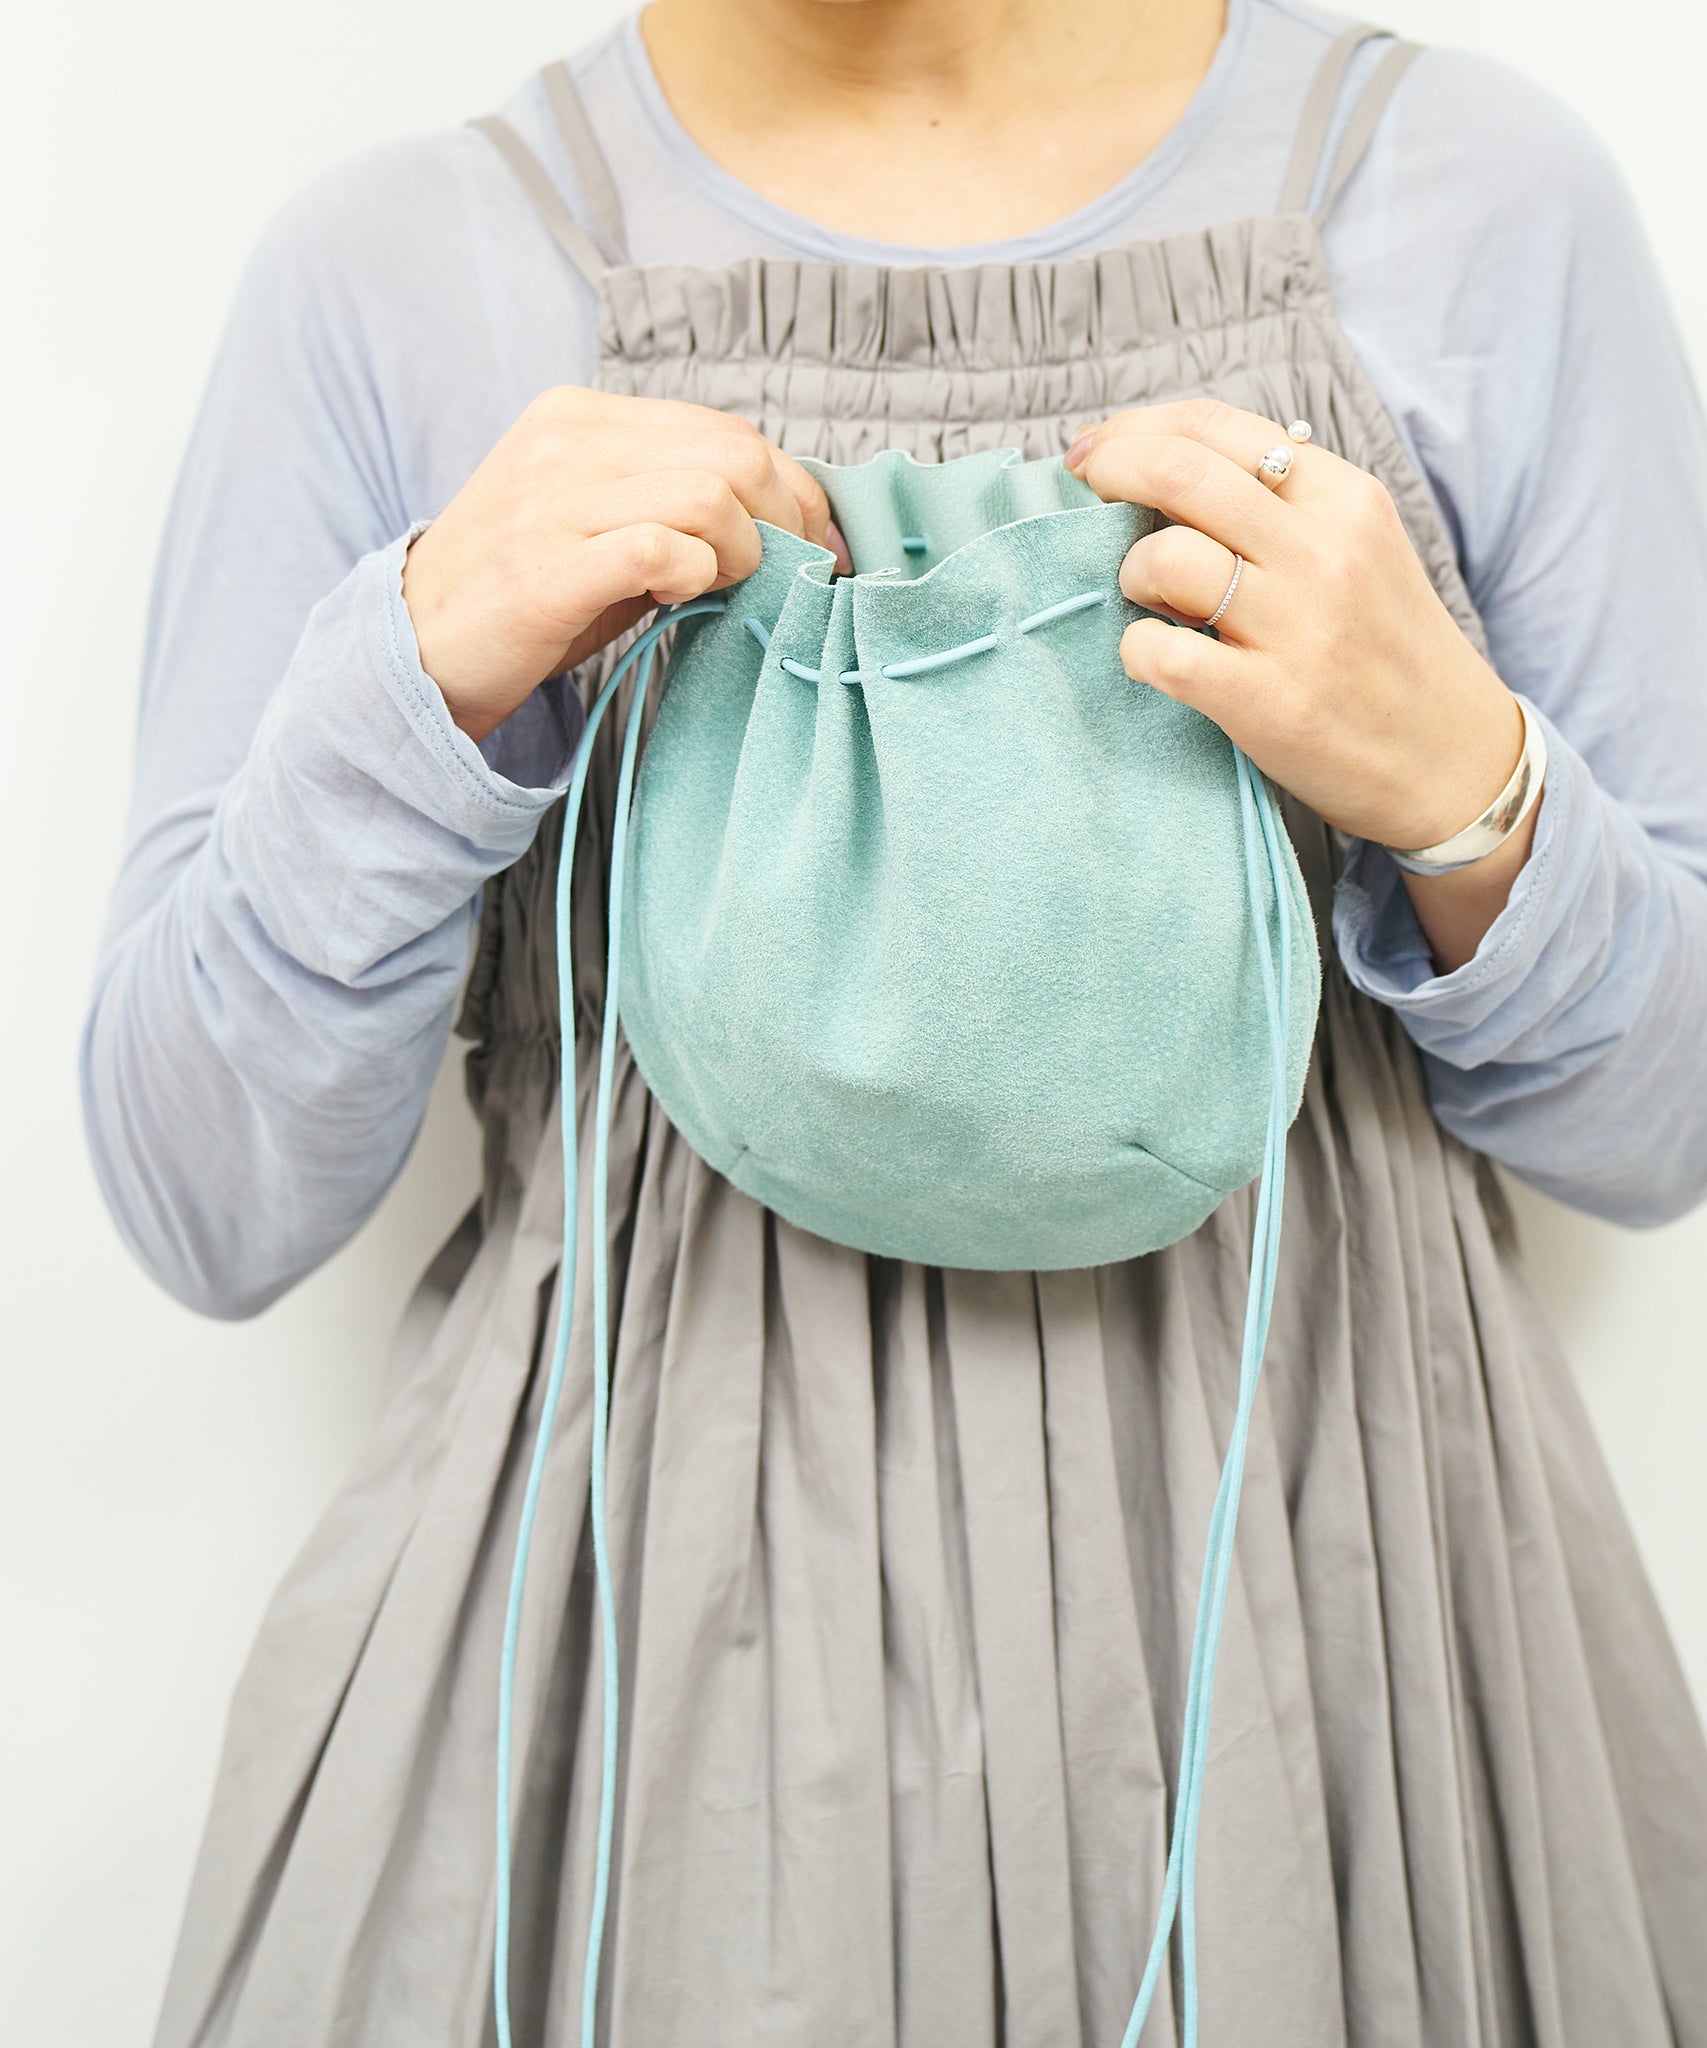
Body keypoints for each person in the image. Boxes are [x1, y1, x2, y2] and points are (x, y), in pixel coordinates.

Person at [83, 0, 1707, 2041]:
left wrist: (1463, 783)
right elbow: (205, 1204)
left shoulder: (1477, 200)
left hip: (1342, 1643)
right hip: (636, 1695)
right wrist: (413, 678)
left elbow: (1660, 1132)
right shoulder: (392, 273)